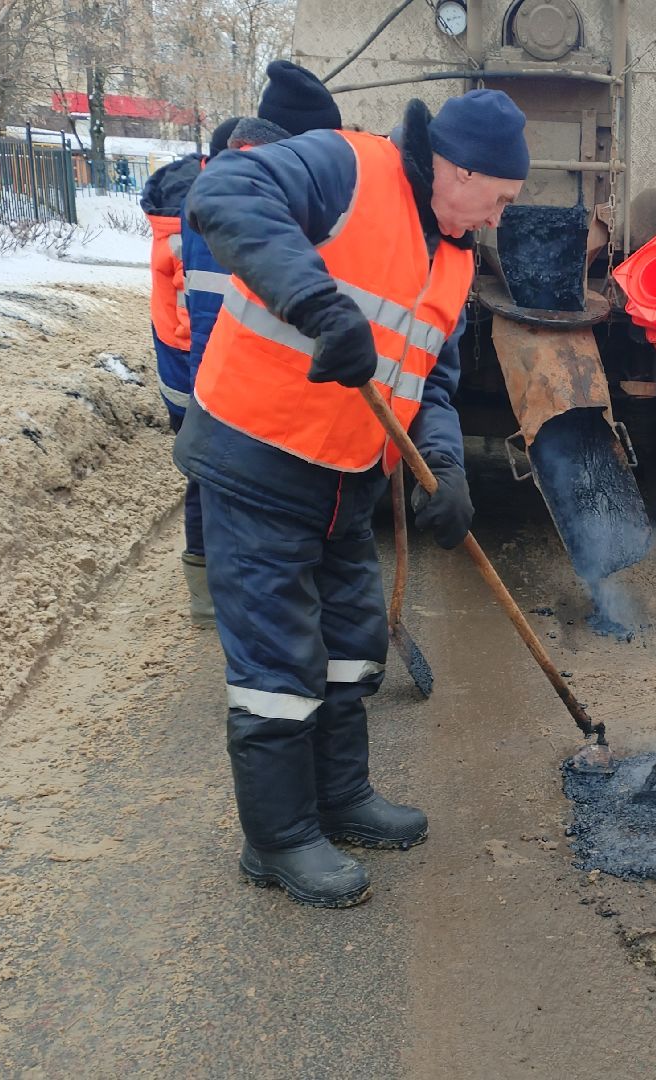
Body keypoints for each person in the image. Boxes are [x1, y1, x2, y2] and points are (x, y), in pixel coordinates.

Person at [176, 75, 529, 908]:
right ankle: (279, 839)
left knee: (349, 642)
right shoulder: (348, 167)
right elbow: (225, 189)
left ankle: (341, 798)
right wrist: (318, 304)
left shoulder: (453, 254)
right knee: (277, 659)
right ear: (459, 169)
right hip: (260, 456)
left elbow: (431, 380)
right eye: (499, 199)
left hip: (346, 474)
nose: (498, 219)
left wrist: (440, 473)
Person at [176, 116, 294, 624]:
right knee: (222, 478)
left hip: (206, 357)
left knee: (210, 477)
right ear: (253, 150)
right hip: (225, 362)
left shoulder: (212, 190)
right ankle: (217, 595)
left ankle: (211, 593)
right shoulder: (238, 196)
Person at [141, 121, 234, 625]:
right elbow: (202, 316)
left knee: (202, 476)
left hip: (177, 362)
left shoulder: (182, 205)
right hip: (193, 364)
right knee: (208, 476)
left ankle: (205, 592)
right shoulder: (201, 214)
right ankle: (206, 594)